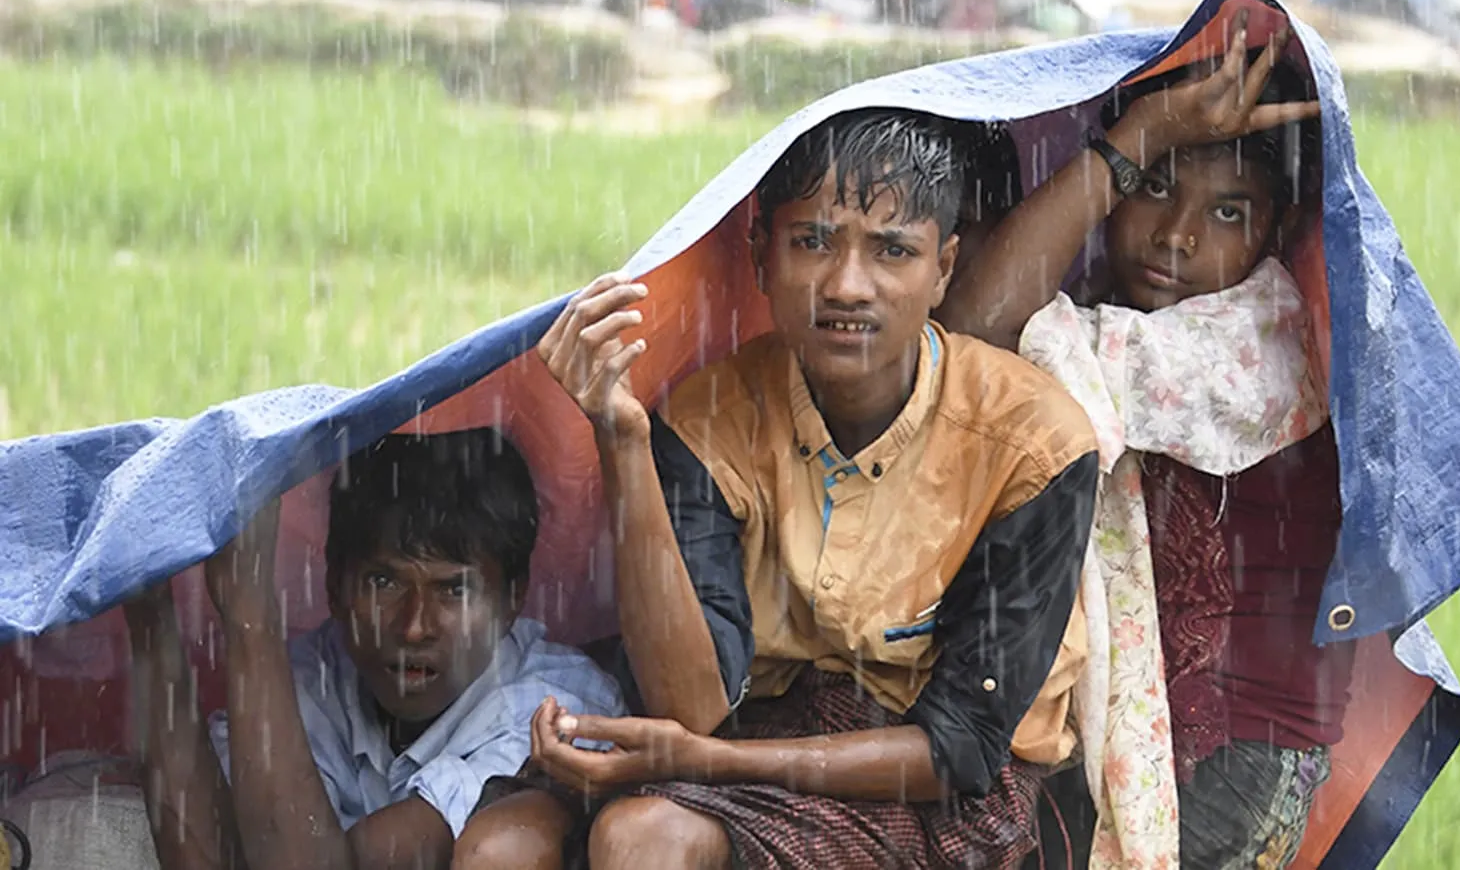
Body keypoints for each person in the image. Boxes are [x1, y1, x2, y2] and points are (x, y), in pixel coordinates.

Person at [526, 107, 1100, 869]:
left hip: (936, 779)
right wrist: (622, 440)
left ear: (944, 270)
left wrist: (700, 762)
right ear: (761, 258)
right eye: (812, 242)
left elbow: (957, 750)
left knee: (642, 840)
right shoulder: (708, 418)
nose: (847, 286)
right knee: (508, 840)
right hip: (756, 724)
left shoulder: (1035, 441)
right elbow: (690, 707)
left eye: (893, 251)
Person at [938, 11, 1353, 869]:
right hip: (1117, 725)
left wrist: (1150, 133)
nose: (1177, 235)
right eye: (1156, 185)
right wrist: (1144, 132)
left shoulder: (1257, 341)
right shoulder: (1104, 316)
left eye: (1227, 209)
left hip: (1236, 755)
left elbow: (971, 332)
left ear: (1274, 233)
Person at [123, 429, 624, 870]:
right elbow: (205, 860)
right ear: (335, 589)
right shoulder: (311, 678)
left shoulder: (554, 709)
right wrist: (151, 619)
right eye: (385, 581)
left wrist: (249, 615)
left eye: (454, 590)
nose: (414, 627)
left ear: (513, 599)